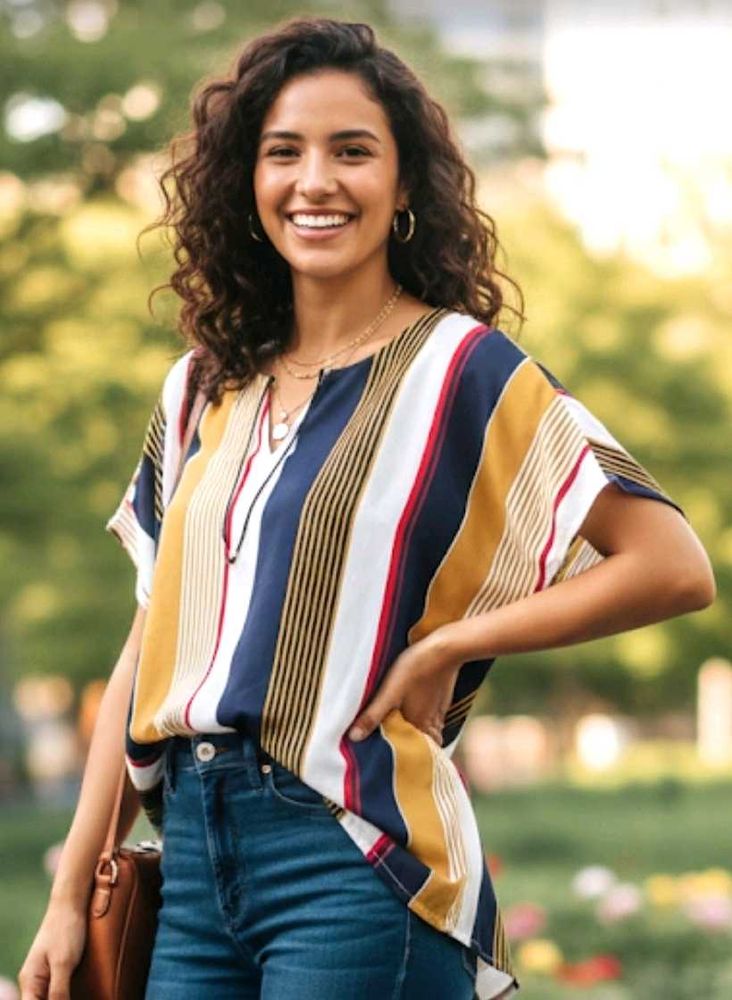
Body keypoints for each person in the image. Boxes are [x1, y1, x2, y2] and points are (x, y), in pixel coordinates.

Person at [18, 16, 715, 1000]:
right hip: (187, 857)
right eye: (283, 152)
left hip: (353, 850)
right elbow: (146, 649)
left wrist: (444, 648)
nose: (316, 181)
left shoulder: (461, 371)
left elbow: (673, 564)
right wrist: (65, 889)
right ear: (244, 183)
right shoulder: (198, 390)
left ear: (402, 187)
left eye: (353, 151)